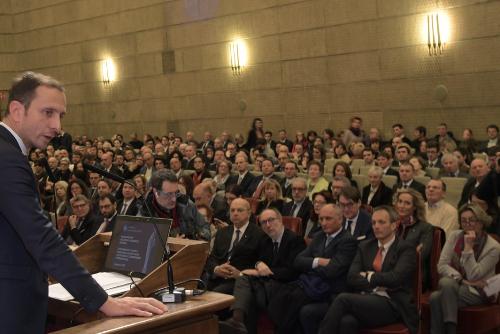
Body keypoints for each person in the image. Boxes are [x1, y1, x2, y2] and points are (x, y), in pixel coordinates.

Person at [0, 72, 166, 332]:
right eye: (48, 112)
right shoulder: (7, 158)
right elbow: (40, 238)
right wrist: (104, 301)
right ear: (17, 110)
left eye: (60, 116)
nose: (57, 126)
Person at [318, 205, 418, 334]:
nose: (376, 226)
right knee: (346, 322)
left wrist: (369, 276)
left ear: (394, 225)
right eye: (374, 223)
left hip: (392, 303)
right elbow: (352, 277)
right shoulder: (365, 246)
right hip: (366, 300)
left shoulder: (405, 248)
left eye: (381, 222)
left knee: (343, 299)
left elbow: (395, 278)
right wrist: (378, 284)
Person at [219, 208, 306, 334]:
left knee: (245, 281)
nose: (268, 225)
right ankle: (238, 322)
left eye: (271, 220)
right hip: (265, 283)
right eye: (263, 222)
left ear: (280, 220)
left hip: (285, 285)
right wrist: (258, 264)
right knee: (246, 285)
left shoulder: (295, 240)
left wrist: (263, 271)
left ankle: (237, 319)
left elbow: (293, 272)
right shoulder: (265, 239)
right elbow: (257, 258)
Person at [430, 203, 500, 334]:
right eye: (463, 221)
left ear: (481, 222)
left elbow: (475, 275)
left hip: (482, 290)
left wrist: (468, 248)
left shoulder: (493, 247)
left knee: (436, 297)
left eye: (472, 220)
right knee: (446, 283)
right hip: (458, 285)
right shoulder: (454, 236)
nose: (467, 224)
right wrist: (463, 281)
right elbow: (442, 265)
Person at [204, 198, 267, 294]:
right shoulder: (222, 232)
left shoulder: (259, 234)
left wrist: (240, 274)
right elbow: (212, 258)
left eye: (240, 210)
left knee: (215, 294)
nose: (235, 213)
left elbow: (260, 264)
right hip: (217, 278)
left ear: (249, 213)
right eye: (232, 210)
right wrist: (216, 269)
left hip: (240, 281)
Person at [138, 169, 210, 241]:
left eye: (176, 192)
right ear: (156, 192)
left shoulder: (186, 203)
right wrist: (172, 243)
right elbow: (142, 245)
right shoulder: (144, 213)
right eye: (168, 194)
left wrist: (199, 238)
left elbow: (204, 227)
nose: (174, 199)